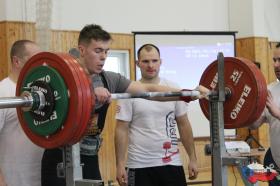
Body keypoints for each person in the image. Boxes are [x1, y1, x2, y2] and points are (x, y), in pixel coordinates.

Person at [41, 24, 208, 186]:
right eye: (98, 51)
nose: (103, 57)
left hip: (89, 156)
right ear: (82, 50)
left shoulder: (110, 79)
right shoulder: (61, 76)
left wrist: (188, 94)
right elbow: (46, 110)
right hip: (59, 157)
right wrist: (88, 91)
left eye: (106, 51)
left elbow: (148, 90)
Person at [114, 44, 198, 186]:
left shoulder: (173, 89)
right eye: (145, 61)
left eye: (154, 61)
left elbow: (184, 125)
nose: (150, 65)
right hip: (138, 165)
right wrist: (120, 165)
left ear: (161, 62)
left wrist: (193, 159)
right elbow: (121, 129)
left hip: (171, 163)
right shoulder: (129, 91)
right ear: (137, 63)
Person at [0, 40, 43, 186]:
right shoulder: (3, 92)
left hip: (41, 177)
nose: (39, 65)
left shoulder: (39, 92)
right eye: (33, 60)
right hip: (13, 180)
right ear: (16, 61)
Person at [249, 43, 280, 186]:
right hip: (275, 162)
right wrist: (247, 109)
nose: (276, 65)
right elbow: (254, 124)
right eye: (274, 60)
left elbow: (276, 112)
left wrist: (277, 112)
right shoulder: (269, 90)